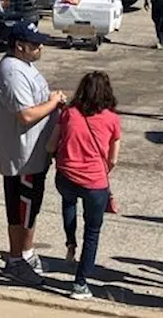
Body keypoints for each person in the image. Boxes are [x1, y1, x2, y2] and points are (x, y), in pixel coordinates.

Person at [0, 21, 65, 286]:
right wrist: (53, 102)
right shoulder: (12, 71)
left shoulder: (26, 66)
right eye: (34, 44)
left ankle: (26, 252)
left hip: (36, 154)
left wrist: (54, 99)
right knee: (20, 210)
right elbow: (25, 115)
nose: (40, 47)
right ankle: (15, 261)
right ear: (19, 46)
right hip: (23, 156)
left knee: (30, 209)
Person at [44, 70, 121, 301]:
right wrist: (101, 171)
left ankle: (70, 241)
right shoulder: (112, 119)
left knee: (68, 202)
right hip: (94, 182)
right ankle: (80, 284)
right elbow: (114, 159)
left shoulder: (69, 113)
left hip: (66, 176)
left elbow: (50, 145)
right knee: (93, 232)